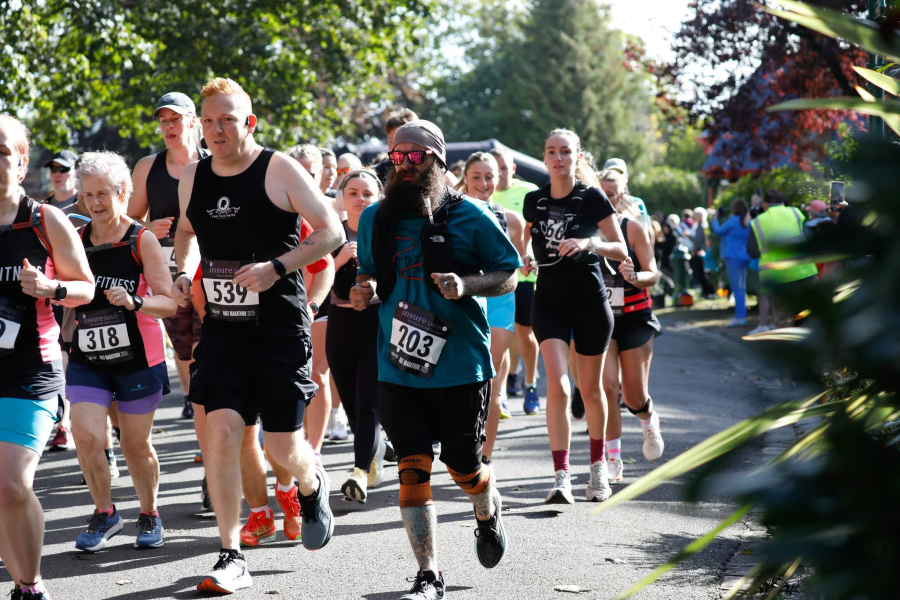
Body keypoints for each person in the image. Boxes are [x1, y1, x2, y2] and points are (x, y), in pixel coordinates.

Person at [171, 77, 342, 594]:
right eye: (209, 121)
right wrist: (184, 270)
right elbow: (185, 234)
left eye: (228, 119)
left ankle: (311, 483)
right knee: (220, 436)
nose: (217, 129)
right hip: (222, 329)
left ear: (249, 122)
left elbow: (332, 231)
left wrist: (277, 266)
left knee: (282, 448)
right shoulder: (193, 177)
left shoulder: (278, 169)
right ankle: (230, 554)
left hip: (279, 331)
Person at [350, 120, 519, 599]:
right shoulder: (374, 219)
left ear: (438, 163)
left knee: (464, 467)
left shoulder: (472, 215)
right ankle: (429, 574)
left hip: (461, 363)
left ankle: (487, 513)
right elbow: (369, 274)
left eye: (414, 156)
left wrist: (467, 285)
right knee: (411, 464)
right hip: (397, 364)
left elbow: (508, 272)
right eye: (396, 156)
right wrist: (364, 292)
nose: (403, 164)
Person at [0, 114, 95, 600]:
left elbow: (86, 287)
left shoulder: (44, 220)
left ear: (21, 164)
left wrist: (52, 287)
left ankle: (32, 585)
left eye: (2, 152)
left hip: (30, 371)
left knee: (12, 482)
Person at [66, 151, 176, 552]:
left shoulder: (141, 239)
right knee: (88, 436)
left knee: (134, 444)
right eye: (87, 195)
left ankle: (149, 513)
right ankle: (106, 513)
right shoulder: (75, 240)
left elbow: (169, 302)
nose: (94, 203)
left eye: (103, 194)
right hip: (88, 358)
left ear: (123, 192)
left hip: (137, 358)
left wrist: (135, 301)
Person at [521, 128, 627, 504]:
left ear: (577, 157)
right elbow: (527, 239)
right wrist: (526, 258)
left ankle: (597, 469)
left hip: (589, 302)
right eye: (552, 151)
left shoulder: (593, 198)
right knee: (559, 386)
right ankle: (561, 477)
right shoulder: (534, 200)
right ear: (545, 157)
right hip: (548, 301)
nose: (558, 157)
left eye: (566, 151)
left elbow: (620, 249)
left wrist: (590, 243)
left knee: (590, 388)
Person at [129, 92, 210, 421]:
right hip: (164, 270)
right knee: (183, 344)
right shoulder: (148, 166)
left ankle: (205, 401)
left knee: (205, 343)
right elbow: (127, 223)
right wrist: (148, 225)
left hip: (209, 270)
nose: (168, 126)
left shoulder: (213, 161)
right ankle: (193, 395)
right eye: (163, 121)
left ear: (193, 121)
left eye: (175, 119)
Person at [456, 153, 526, 464]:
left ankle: (484, 458)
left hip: (499, 301)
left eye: (489, 176)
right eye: (476, 177)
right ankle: (457, 444)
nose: (484, 183)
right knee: (462, 378)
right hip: (462, 300)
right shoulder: (450, 213)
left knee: (491, 378)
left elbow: (520, 262)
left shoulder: (512, 219)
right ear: (465, 179)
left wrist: (529, 263)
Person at [597, 169, 665, 483]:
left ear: (620, 196)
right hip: (600, 319)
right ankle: (613, 459)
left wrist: (635, 277)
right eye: (600, 194)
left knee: (634, 396)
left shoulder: (633, 228)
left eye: (610, 195)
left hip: (635, 316)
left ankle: (649, 421)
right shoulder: (585, 233)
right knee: (608, 388)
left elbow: (654, 273)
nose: (604, 201)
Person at [326, 169, 387, 503]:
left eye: (367, 193)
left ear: (377, 197)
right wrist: (339, 260)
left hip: (376, 323)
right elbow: (314, 275)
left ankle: (359, 471)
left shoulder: (384, 231)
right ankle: (373, 452)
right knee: (351, 406)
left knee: (366, 403)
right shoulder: (332, 232)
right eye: (353, 193)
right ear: (342, 197)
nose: (360, 199)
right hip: (340, 324)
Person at [489, 147, 541, 415]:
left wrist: (527, 253)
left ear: (513, 168)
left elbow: (532, 230)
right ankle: (500, 392)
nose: (498, 174)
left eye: (503, 168)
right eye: (494, 169)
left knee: (525, 334)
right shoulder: (484, 189)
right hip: (494, 276)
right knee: (502, 335)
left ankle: (530, 383)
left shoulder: (528, 191)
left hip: (524, 274)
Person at [42, 149, 87, 453]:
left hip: (77, 290)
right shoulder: (41, 210)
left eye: (63, 168)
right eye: (53, 168)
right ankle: (63, 424)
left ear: (74, 172)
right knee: (58, 354)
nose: (57, 173)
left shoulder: (86, 205)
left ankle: (69, 424)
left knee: (71, 355)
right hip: (49, 290)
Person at [747, 189, 818, 330]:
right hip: (805, 272)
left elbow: (752, 252)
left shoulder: (758, 222)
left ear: (765, 204)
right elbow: (809, 237)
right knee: (808, 316)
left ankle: (788, 349)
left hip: (779, 278)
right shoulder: (796, 212)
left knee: (782, 321)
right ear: (781, 203)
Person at [710, 199, 752, 327]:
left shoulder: (734, 221)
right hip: (746, 256)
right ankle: (741, 315)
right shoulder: (747, 221)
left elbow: (718, 231)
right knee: (741, 288)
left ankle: (740, 317)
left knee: (737, 289)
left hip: (733, 257)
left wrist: (714, 219)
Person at [374, 108, 419, 184]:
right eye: (393, 141)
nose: (396, 147)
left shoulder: (426, 169)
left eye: (402, 141)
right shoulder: (376, 174)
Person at [691, 207, 715, 298]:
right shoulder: (698, 225)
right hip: (699, 251)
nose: (694, 216)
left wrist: (689, 235)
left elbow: (698, 239)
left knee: (704, 272)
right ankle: (705, 291)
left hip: (703, 252)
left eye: (696, 214)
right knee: (700, 272)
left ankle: (708, 291)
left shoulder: (703, 225)